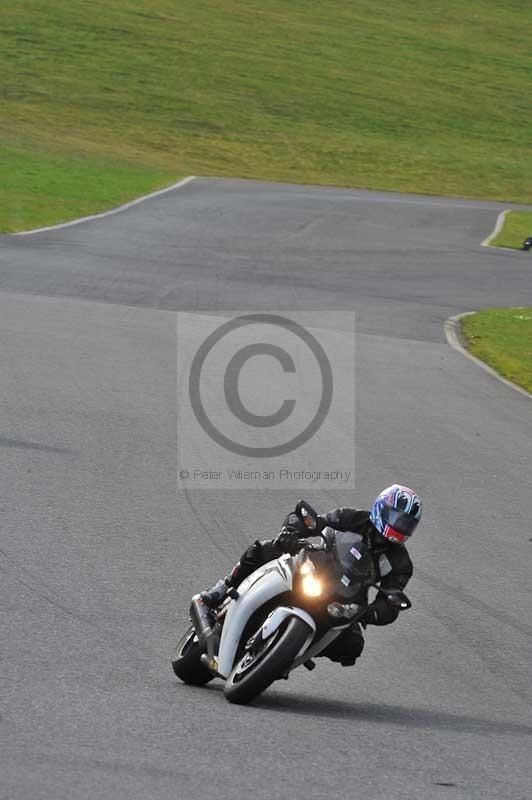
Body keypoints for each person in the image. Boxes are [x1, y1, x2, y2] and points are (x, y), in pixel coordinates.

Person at [200, 484, 422, 667]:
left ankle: (292, 650)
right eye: (397, 517)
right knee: (264, 549)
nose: (399, 527)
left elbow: (392, 598)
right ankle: (221, 589)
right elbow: (314, 522)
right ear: (382, 509)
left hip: (346, 598)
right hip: (318, 567)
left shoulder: (400, 563)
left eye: (406, 524)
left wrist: (372, 613)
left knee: (352, 646)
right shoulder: (353, 518)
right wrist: (291, 531)